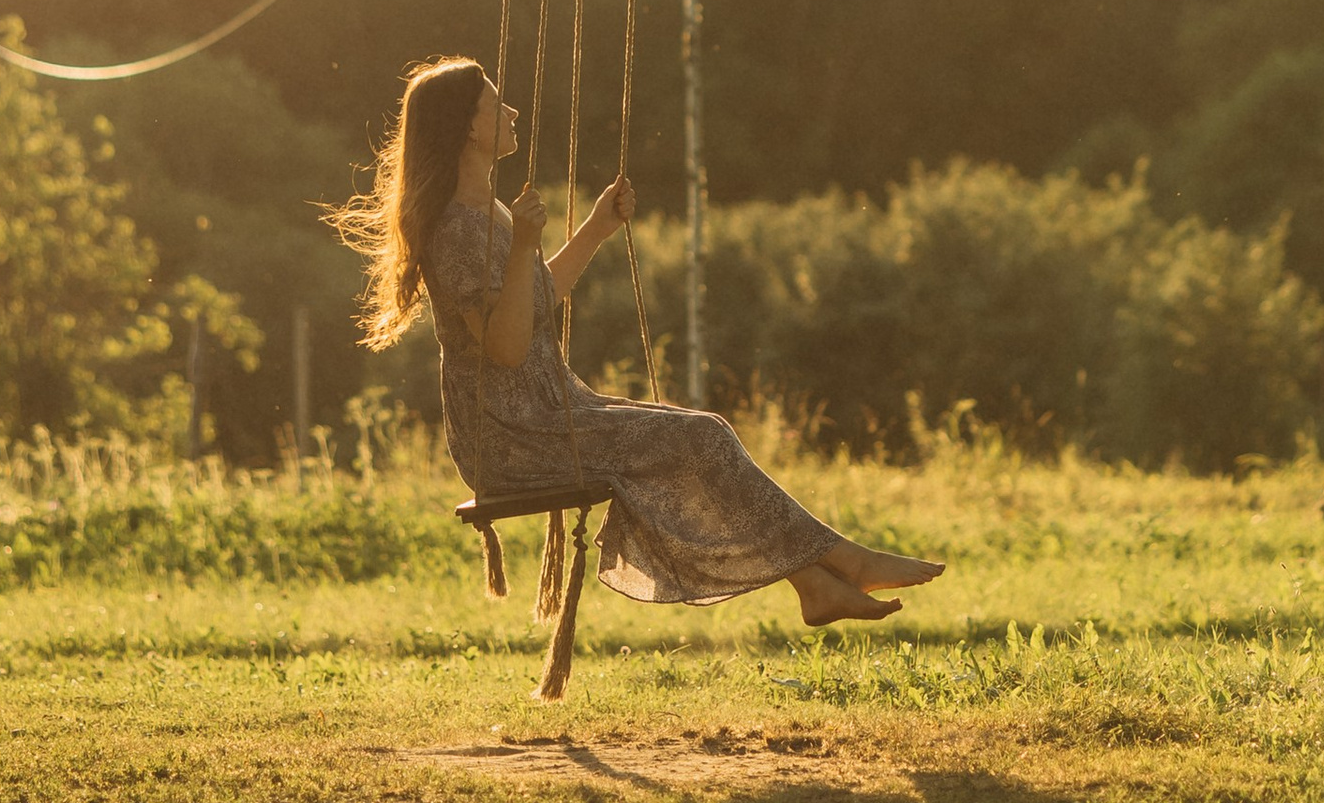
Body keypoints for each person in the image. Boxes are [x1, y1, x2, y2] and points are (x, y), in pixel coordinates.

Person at [333, 55, 944, 625]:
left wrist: (595, 229)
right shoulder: (457, 230)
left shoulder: (487, 211)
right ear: (467, 128)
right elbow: (508, 348)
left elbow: (535, 301)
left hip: (549, 412)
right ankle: (836, 562)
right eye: (496, 104)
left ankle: (815, 580)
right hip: (512, 434)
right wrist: (523, 246)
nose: (512, 113)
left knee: (699, 435)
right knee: (700, 436)